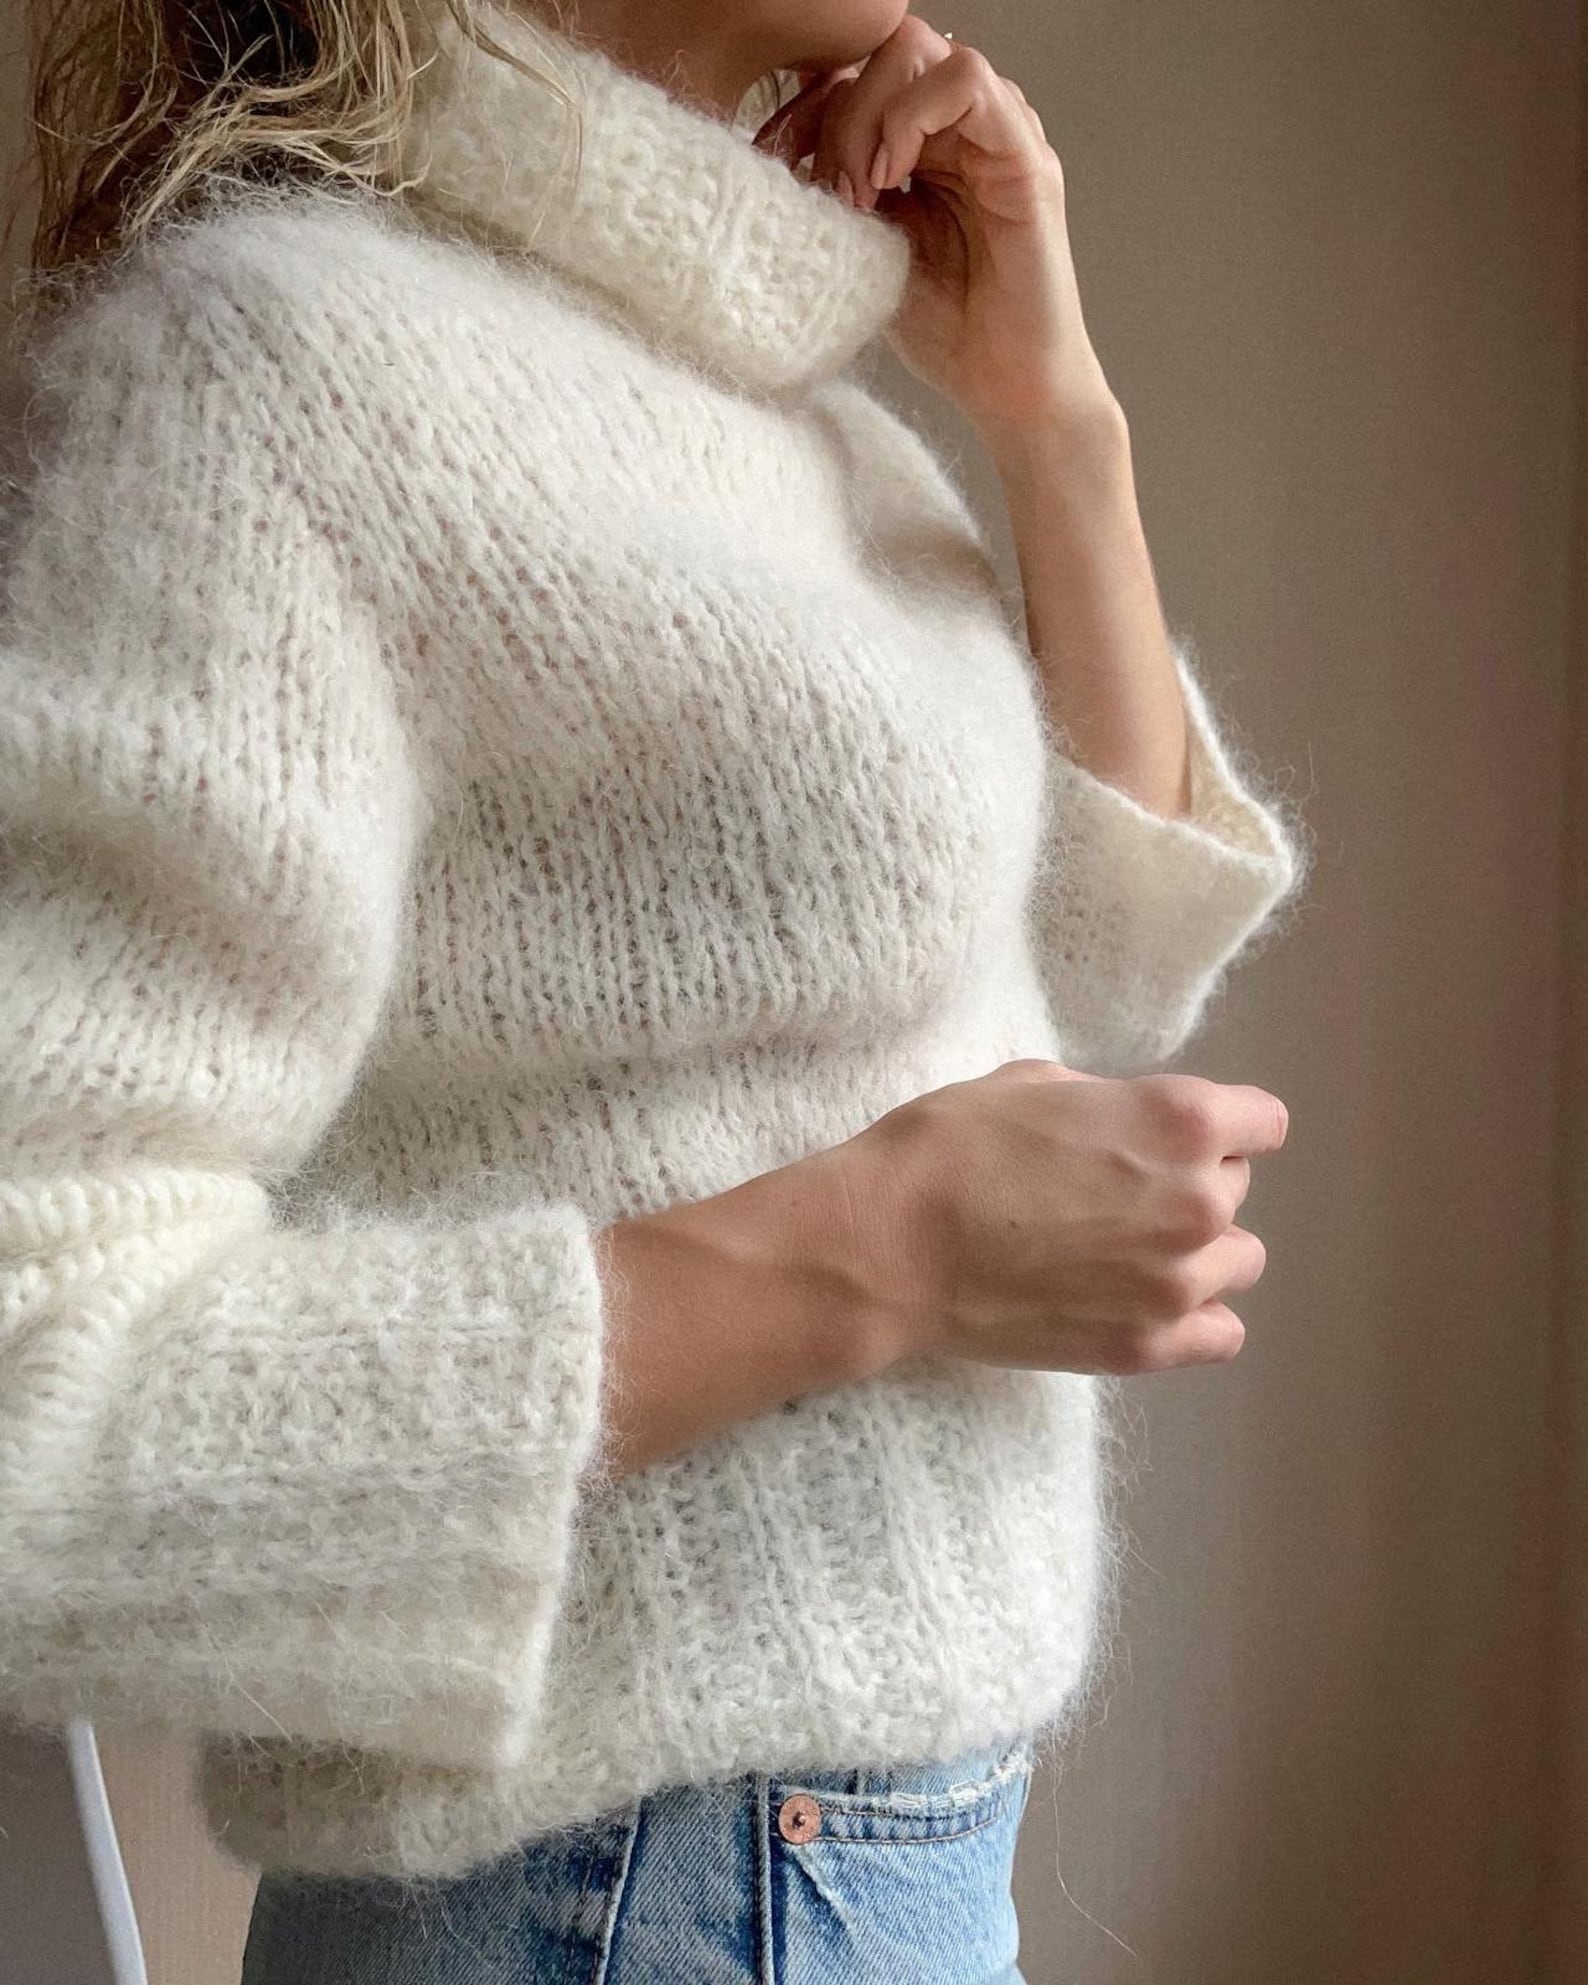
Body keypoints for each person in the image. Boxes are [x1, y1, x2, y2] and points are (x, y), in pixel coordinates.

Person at [0, 0, 1311, 1976]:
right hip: (631, 1896)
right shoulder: (269, 378)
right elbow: (33, 1376)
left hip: (850, 1872)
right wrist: (883, 1249)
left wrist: (1056, 425)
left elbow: (1112, 958)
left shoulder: (801, 426)